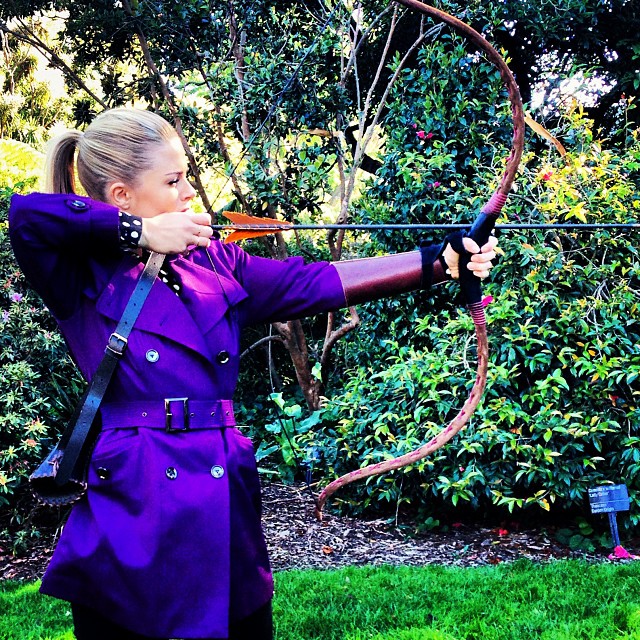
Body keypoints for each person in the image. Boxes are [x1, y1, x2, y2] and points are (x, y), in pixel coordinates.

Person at [8, 107, 497, 640]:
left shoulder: (215, 263)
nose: (189, 192)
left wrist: (437, 262)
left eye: (188, 176)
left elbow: (314, 281)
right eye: (173, 182)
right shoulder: (79, 273)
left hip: (221, 496)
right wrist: (140, 232)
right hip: (134, 497)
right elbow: (27, 216)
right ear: (122, 195)